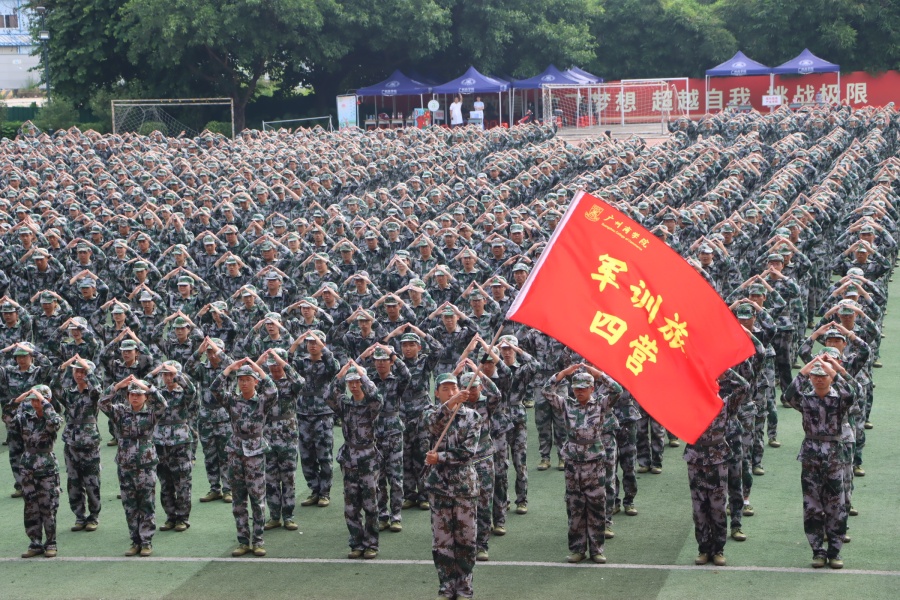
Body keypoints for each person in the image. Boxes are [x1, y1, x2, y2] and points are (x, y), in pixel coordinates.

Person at [543, 363, 622, 564]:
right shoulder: (567, 405)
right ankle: (577, 549)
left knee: (596, 506)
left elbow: (617, 390)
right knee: (574, 506)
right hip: (573, 462)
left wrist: (599, 373)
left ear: (592, 388)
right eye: (576, 388)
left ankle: (597, 550)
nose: (579, 392)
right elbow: (546, 391)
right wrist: (563, 373)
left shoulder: (601, 405)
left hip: (594, 463)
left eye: (583, 388)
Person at [783, 356, 856, 569]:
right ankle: (817, 551)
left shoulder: (839, 400)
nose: (819, 379)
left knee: (836, 506)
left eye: (823, 376)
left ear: (830, 378)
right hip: (811, 458)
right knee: (812, 506)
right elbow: (788, 394)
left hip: (834, 457)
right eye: (815, 376)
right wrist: (805, 370)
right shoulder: (805, 400)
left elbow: (852, 393)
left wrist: (833, 369)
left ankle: (835, 552)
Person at [211, 358, 277, 557]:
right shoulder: (233, 400)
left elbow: (273, 391)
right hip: (235, 452)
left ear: (255, 382)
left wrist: (258, 368)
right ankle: (242, 541)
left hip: (255, 452)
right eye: (241, 380)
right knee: (238, 500)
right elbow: (215, 389)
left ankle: (258, 541)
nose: (244, 383)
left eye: (248, 379)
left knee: (257, 499)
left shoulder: (262, 401)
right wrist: (230, 368)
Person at [424, 373, 482, 600]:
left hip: (464, 487)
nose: (451, 392)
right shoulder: (431, 413)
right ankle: (446, 587)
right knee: (442, 542)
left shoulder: (473, 417)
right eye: (445, 389)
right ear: (437, 393)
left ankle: (464, 588)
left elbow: (467, 452)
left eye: (454, 388)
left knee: (466, 540)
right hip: (439, 487)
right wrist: (450, 405)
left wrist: (440, 457)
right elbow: (432, 426)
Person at [99, 376, 167, 557]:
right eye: (131, 394)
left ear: (145, 397)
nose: (135, 397)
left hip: (145, 464)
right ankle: (135, 541)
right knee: (129, 505)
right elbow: (102, 403)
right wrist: (116, 386)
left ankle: (146, 541)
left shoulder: (151, 413)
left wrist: (148, 387)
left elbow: (163, 404)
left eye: (139, 394)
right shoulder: (120, 412)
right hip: (125, 464)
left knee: (146, 503)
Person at [325, 361, 382, 559]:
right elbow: (328, 395)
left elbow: (375, 395)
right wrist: (340, 375)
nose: (354, 385)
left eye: (357, 382)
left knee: (371, 505)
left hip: (368, 459)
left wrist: (361, 373)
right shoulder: (345, 404)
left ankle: (371, 544)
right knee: (351, 506)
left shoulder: (372, 405)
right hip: (349, 459)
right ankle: (356, 543)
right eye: (351, 382)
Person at [10, 385, 63, 558]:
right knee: (31, 506)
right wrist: (18, 400)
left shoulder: (52, 417)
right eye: (32, 401)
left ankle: (51, 543)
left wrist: (44, 401)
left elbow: (55, 422)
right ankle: (35, 543)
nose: (34, 403)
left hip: (46, 467)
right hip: (28, 467)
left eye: (37, 400)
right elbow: (7, 417)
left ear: (47, 401)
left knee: (48, 506)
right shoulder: (25, 418)